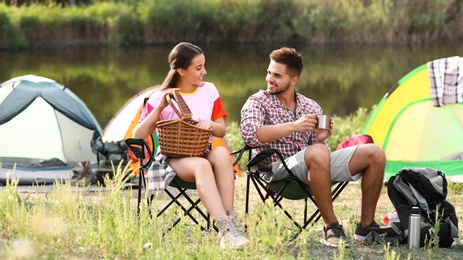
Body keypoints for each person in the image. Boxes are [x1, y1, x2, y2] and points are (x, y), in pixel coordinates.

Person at [239, 47, 386, 248]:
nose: (269, 79)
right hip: (277, 170)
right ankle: (331, 226)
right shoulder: (258, 101)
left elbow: (317, 151)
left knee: (375, 153)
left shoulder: (311, 106)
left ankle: (366, 227)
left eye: (277, 75)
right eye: (269, 73)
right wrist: (294, 126)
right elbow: (250, 135)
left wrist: (321, 138)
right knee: (318, 152)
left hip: (311, 168)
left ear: (293, 80)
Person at [133, 42, 249, 250]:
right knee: (202, 165)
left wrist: (211, 124)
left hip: (202, 151)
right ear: (181, 70)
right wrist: (160, 107)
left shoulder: (209, 90)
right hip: (173, 159)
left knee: (222, 153)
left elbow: (221, 130)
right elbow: (138, 136)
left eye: (203, 66)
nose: (204, 72)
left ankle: (230, 223)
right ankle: (224, 229)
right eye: (198, 68)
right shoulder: (161, 97)